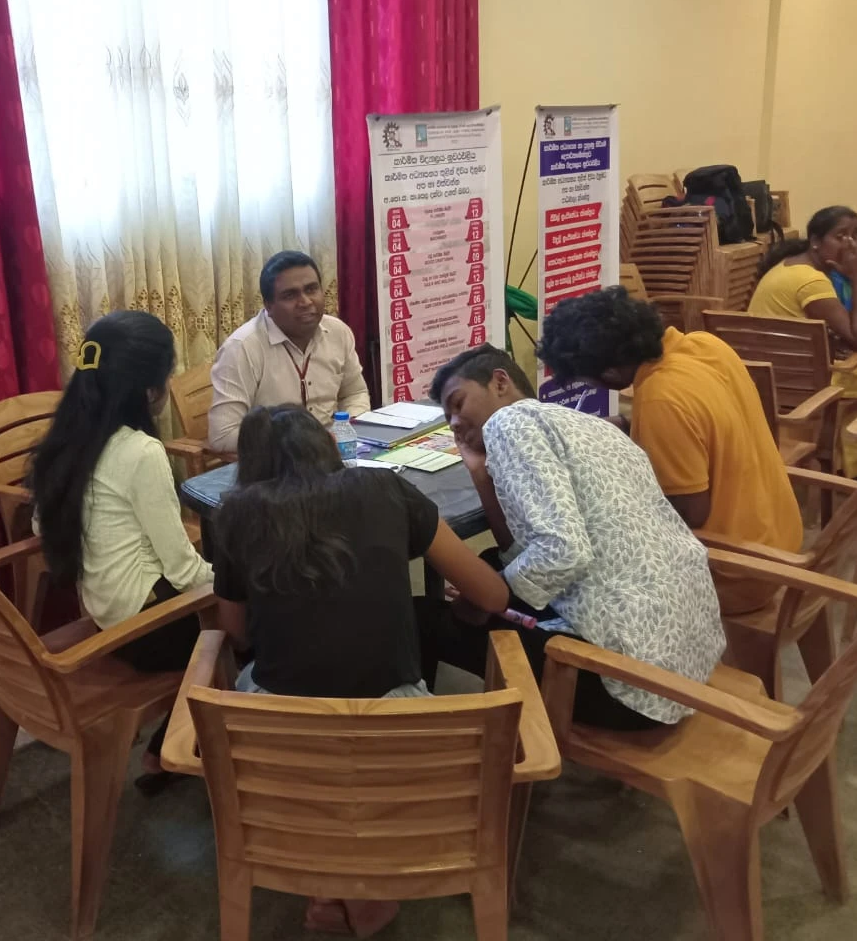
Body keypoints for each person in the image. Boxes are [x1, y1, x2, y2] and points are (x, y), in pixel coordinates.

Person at [212, 403, 509, 937]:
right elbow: (491, 595)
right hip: (397, 731)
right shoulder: (385, 489)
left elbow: (237, 634)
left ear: (250, 466)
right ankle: (359, 880)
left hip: (272, 738)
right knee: (367, 723)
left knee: (285, 708)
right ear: (330, 447)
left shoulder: (236, 513)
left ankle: (328, 874)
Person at [429, 345, 726, 730]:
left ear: (500, 382)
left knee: (427, 618)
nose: (454, 422)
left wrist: (483, 598)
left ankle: (438, 747)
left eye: (458, 403)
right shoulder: (590, 424)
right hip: (685, 665)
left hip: (631, 688)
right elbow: (522, 547)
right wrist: (479, 472)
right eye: (448, 417)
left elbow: (562, 552)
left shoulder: (510, 423)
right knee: (487, 566)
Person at [537, 286, 802, 614]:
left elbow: (689, 516)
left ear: (611, 371)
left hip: (737, 571)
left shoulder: (660, 399)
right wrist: (626, 424)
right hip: (779, 536)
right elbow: (704, 425)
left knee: (580, 580)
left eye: (586, 380)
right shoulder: (705, 345)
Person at [31, 310, 212, 790]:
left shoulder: (67, 440)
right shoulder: (140, 452)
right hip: (147, 632)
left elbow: (40, 523)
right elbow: (184, 570)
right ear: (149, 391)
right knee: (248, 617)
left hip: (105, 615)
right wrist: (236, 582)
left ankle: (170, 747)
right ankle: (177, 749)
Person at [749, 206, 857, 475]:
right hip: (797, 386)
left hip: (771, 378)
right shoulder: (811, 281)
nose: (850, 244)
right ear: (816, 241)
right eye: (840, 236)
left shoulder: (790, 265)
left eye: (854, 236)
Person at [207, 251, 371, 452]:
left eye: (311, 289)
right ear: (268, 306)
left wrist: (345, 431)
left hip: (335, 453)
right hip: (278, 460)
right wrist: (298, 443)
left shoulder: (338, 332)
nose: (306, 302)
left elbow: (355, 393)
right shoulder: (242, 348)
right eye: (290, 295)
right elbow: (223, 435)